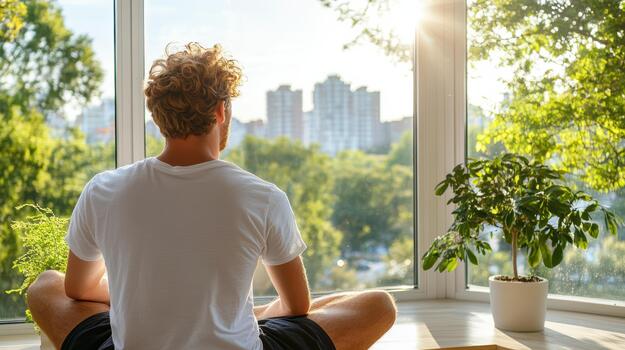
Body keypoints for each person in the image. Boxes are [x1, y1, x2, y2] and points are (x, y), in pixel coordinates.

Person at [26, 42, 397, 350]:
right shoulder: (262, 196)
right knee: (378, 304)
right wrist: (233, 312)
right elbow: (298, 306)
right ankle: (230, 316)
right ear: (221, 111)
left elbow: (77, 289)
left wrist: (139, 299)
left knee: (46, 285)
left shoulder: (103, 189)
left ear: (157, 119)